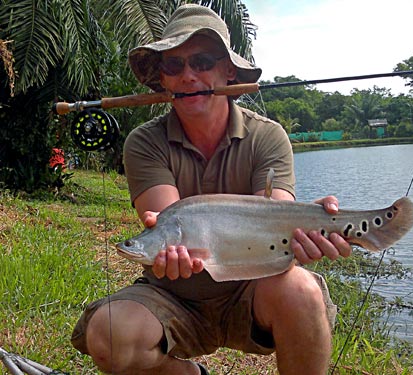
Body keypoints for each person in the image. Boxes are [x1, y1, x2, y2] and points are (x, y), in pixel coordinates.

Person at [71, 4, 352, 375]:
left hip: (254, 289)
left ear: (228, 71)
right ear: (164, 79)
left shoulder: (268, 137)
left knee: (302, 290)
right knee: (108, 335)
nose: (188, 75)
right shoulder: (144, 142)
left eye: (202, 62)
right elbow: (168, 223)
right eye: (174, 65)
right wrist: (172, 251)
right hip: (171, 295)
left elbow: (274, 217)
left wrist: (308, 227)